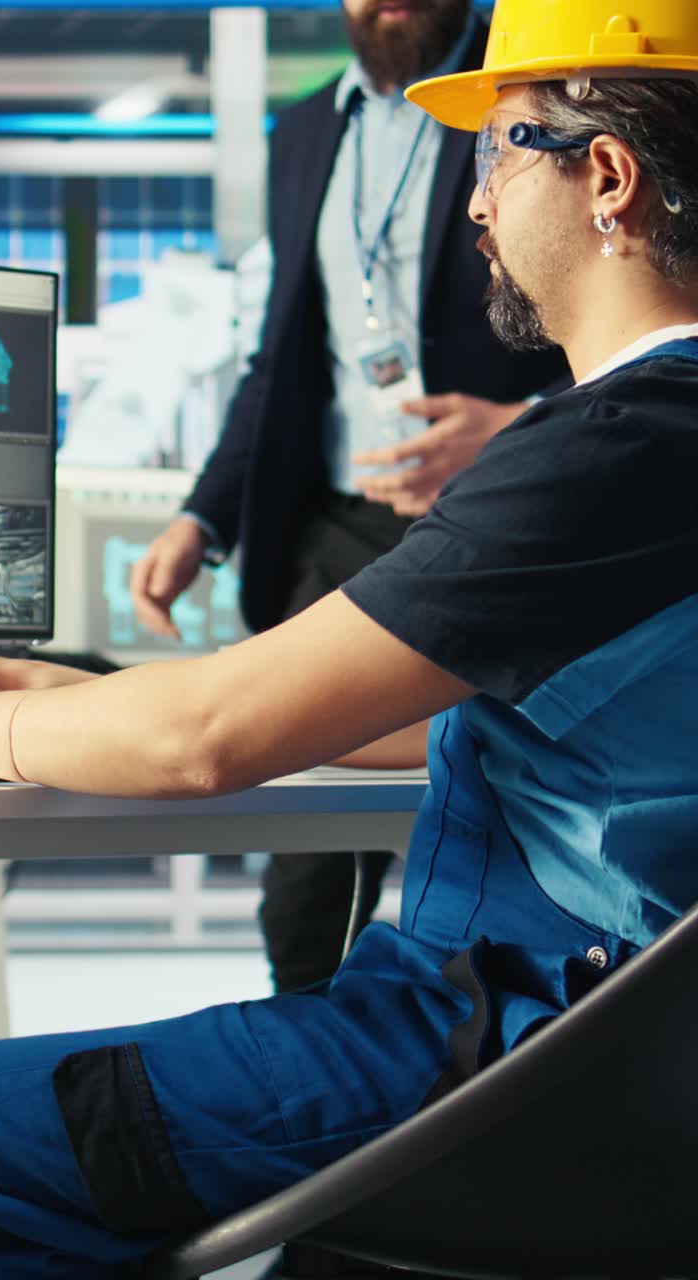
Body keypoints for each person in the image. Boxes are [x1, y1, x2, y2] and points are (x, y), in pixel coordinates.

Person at [0, 0, 698, 1272]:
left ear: (607, 176)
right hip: (620, 1078)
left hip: (482, 1049)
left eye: (499, 148)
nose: (476, 204)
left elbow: (204, 742)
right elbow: (534, 718)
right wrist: (80, 694)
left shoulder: (611, 449)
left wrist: (6, 726)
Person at [130, 0, 569, 995]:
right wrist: (202, 517)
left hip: (501, 522)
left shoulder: (529, 98)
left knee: (507, 820)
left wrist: (522, 428)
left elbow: (634, 309)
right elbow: (281, 359)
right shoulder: (303, 132)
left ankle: (512, 1056)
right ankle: (311, 1049)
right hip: (338, 525)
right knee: (306, 876)